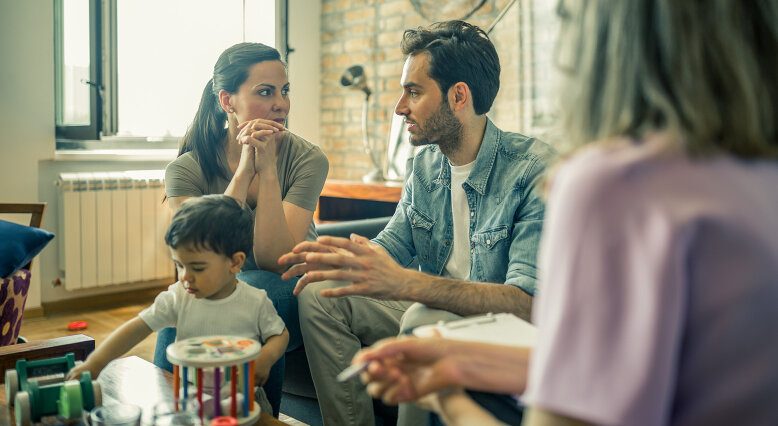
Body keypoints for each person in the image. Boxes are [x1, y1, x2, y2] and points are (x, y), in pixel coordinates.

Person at [353, 0, 778, 425]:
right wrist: (461, 362)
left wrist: (445, 395)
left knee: (418, 317)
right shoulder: (760, 182)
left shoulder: (607, 185)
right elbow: (636, 373)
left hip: (498, 325)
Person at [278, 20, 555, 426]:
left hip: (500, 329)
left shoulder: (533, 171)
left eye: (413, 91)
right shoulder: (425, 164)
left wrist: (409, 284)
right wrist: (349, 257)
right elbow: (394, 242)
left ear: (459, 96)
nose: (399, 107)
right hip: (429, 305)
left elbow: (527, 304)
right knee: (320, 293)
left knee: (420, 318)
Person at [158, 42, 328, 417]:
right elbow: (201, 251)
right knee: (183, 305)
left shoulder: (308, 159)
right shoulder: (187, 169)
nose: (281, 103)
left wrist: (268, 172)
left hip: (292, 289)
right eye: (265, 92)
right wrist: (243, 172)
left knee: (254, 292)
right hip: (223, 288)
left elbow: (276, 261)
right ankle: (173, 415)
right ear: (227, 101)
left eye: (285, 91)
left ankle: (258, 419)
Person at [68, 195, 290, 414]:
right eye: (179, 265)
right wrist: (95, 363)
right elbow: (137, 327)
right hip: (193, 399)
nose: (185, 277)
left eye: (197, 268)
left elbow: (280, 334)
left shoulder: (255, 300)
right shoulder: (179, 297)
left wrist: (266, 357)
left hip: (246, 402)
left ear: (235, 262)